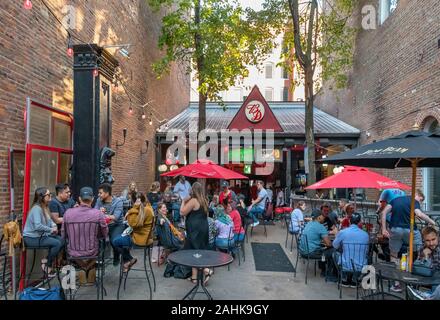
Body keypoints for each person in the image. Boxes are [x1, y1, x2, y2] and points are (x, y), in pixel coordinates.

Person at [381, 190, 436, 292]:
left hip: (395, 230)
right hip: (410, 230)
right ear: (416, 195)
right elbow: (419, 214)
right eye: (420, 200)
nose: (420, 202)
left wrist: (384, 229)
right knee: (420, 250)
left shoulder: (395, 200)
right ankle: (416, 277)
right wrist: (432, 222)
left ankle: (396, 284)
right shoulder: (413, 201)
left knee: (393, 255)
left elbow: (384, 212)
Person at [62, 187, 108, 283]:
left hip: (73, 252)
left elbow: (64, 233)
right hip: (92, 251)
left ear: (79, 199)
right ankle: (88, 269)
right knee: (101, 246)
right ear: (92, 199)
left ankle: (82, 268)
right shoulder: (98, 213)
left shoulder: (68, 213)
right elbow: (104, 232)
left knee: (74, 251)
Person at [23, 187, 63, 276]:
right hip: (31, 238)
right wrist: (50, 230)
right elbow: (37, 226)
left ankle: (46, 260)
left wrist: (53, 226)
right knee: (56, 243)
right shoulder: (37, 209)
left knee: (62, 240)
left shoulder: (45, 207)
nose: (50, 196)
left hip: (40, 236)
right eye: (48, 195)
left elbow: (49, 221)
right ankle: (47, 265)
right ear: (42, 197)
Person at [112, 192, 154, 272]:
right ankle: (128, 261)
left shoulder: (144, 210)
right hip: (142, 237)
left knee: (115, 241)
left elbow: (132, 224)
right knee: (121, 239)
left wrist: (133, 209)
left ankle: (129, 259)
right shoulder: (148, 208)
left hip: (139, 240)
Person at [180, 182, 211, 284]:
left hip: (195, 230)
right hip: (203, 228)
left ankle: (207, 270)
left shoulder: (193, 200)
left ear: (193, 190)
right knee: (197, 251)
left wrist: (183, 201)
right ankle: (194, 277)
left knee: (194, 251)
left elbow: (182, 212)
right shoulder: (205, 200)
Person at [332, 213, 369, 287]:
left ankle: (344, 278)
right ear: (359, 222)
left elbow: (335, 245)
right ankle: (355, 279)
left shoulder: (343, 232)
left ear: (349, 221)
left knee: (334, 253)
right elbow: (366, 251)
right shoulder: (366, 235)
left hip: (346, 266)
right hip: (360, 266)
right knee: (363, 255)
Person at [95, 183, 125, 265]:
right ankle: (99, 259)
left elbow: (115, 217)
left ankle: (117, 255)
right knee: (95, 238)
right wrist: (99, 212)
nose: (99, 195)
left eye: (100, 193)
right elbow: (94, 212)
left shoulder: (118, 201)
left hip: (116, 225)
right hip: (103, 225)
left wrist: (102, 214)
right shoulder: (99, 200)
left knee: (114, 241)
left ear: (107, 193)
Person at [299, 209, 335, 277]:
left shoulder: (308, 224)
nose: (324, 218)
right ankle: (327, 273)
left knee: (322, 248)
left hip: (302, 251)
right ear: (319, 217)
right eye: (323, 216)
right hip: (310, 253)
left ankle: (323, 269)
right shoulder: (320, 227)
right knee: (333, 250)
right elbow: (328, 244)